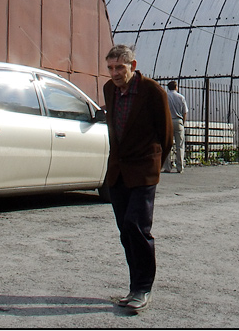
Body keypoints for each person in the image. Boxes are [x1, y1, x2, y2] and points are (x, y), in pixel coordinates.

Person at [103, 44, 173, 312]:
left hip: (144, 170)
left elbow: (166, 133)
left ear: (133, 66)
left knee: (137, 227)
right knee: (125, 231)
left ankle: (144, 288)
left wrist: (154, 162)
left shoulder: (152, 91)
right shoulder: (110, 90)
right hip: (118, 171)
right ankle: (135, 286)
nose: (115, 73)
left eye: (120, 67)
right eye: (110, 68)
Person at [164, 81, 188, 174]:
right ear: (176, 87)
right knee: (180, 145)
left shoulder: (165, 96)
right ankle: (180, 167)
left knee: (167, 145)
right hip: (178, 121)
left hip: (168, 121)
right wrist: (183, 122)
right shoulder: (181, 97)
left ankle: (167, 167)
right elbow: (185, 112)